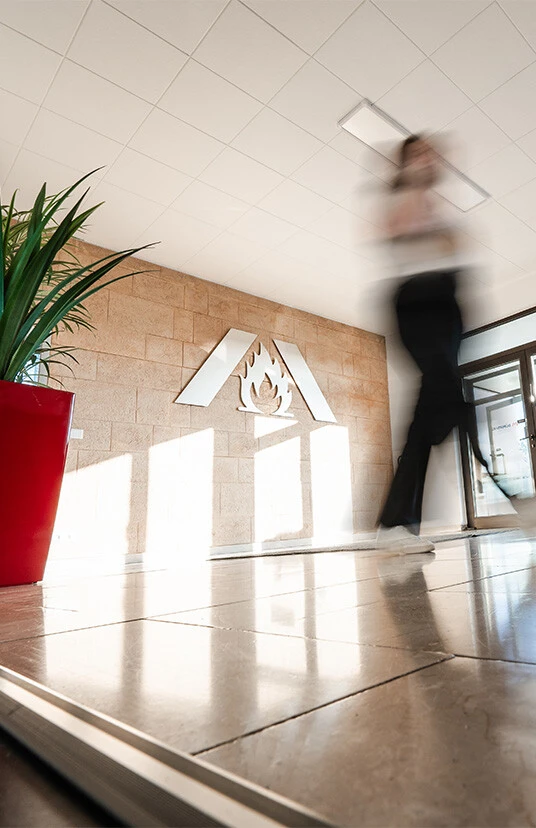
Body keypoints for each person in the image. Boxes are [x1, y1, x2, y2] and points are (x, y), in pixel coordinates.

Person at [376, 134, 534, 554]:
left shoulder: (431, 202)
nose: (431, 159)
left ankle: (397, 523)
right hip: (420, 303)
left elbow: (452, 250)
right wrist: (443, 238)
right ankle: (515, 498)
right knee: (450, 405)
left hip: (445, 306)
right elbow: (402, 241)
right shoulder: (402, 199)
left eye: (433, 153)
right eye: (420, 153)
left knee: (434, 412)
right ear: (405, 161)